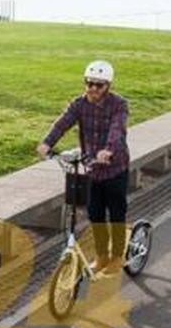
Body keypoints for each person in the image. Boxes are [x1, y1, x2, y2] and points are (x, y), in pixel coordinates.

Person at [36, 60, 131, 275]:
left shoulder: (119, 105)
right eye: (89, 83)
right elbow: (62, 123)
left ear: (108, 86)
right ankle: (101, 256)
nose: (93, 89)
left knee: (116, 213)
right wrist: (47, 143)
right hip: (92, 167)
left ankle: (117, 256)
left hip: (115, 167)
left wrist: (108, 150)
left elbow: (117, 129)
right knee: (95, 214)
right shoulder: (79, 104)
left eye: (99, 85)